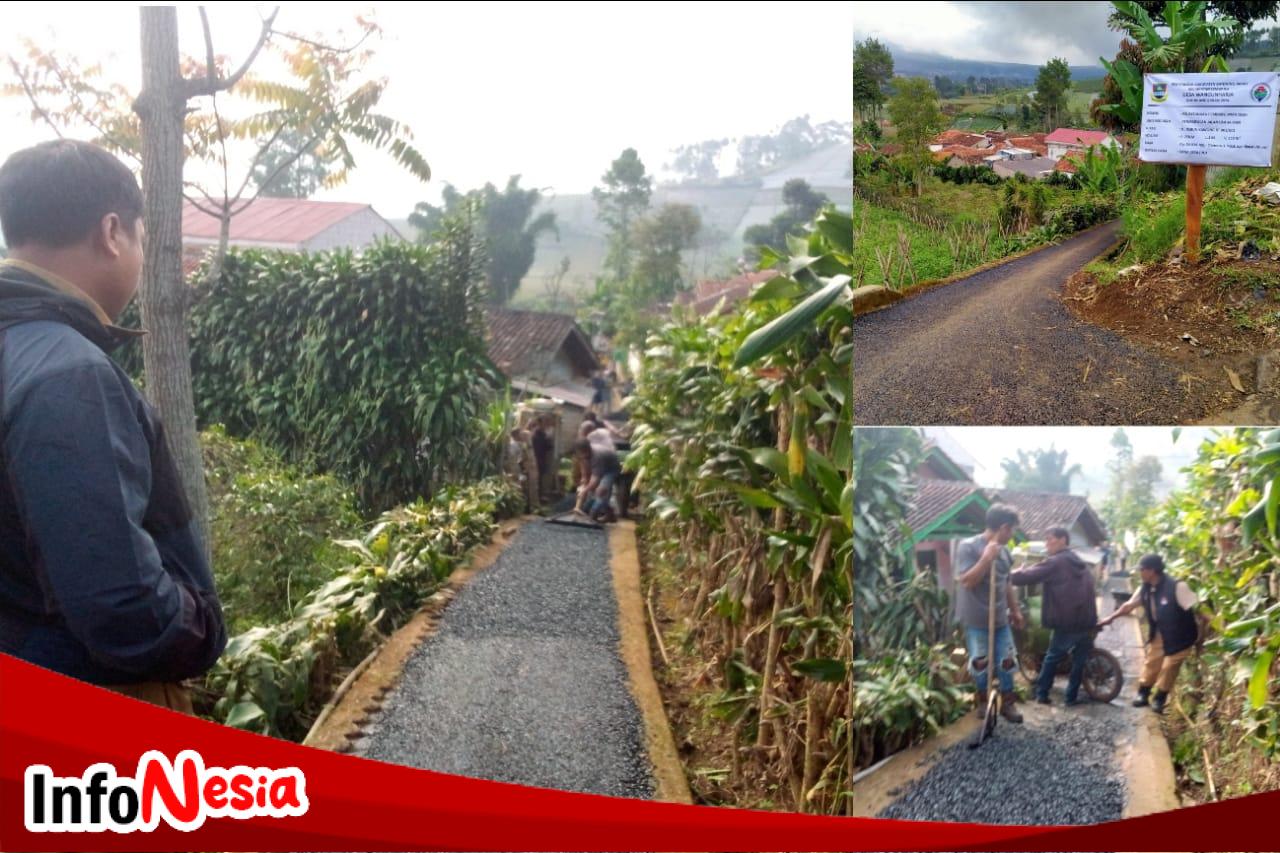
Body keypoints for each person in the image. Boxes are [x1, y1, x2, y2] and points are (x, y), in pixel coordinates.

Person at [0, 139, 226, 712]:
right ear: (111, 233)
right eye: (142, 237)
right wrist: (201, 626)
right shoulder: (68, 376)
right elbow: (122, 610)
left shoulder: (19, 348)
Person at [1098, 553, 1206, 714]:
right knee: (1152, 662)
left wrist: (1203, 634)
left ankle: (1160, 698)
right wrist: (1110, 618)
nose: (1139, 573)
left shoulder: (1177, 587)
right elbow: (1128, 606)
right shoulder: (1145, 588)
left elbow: (1199, 609)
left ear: (1152, 570)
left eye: (1141, 570)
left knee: (1170, 666)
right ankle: (1143, 693)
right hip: (1160, 633)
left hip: (1181, 635)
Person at [1010, 527, 1098, 706]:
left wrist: (1011, 573)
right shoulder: (1078, 561)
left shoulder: (1056, 562)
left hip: (1068, 622)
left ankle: (1042, 694)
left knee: (1052, 657)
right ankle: (1070, 697)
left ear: (1063, 540)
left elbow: (1026, 576)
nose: (1046, 543)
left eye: (1050, 539)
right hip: (1087, 620)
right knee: (1079, 661)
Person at [954, 504, 1026, 723]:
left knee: (1007, 660)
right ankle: (984, 701)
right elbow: (966, 581)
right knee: (980, 663)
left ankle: (1008, 703)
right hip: (976, 621)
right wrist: (986, 558)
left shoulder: (1005, 552)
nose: (1012, 534)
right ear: (1003, 527)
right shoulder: (968, 547)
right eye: (1012, 529)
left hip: (1000, 620)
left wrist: (1014, 611)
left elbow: (1006, 584)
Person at [573, 439, 620, 523]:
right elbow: (582, 462)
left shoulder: (597, 456)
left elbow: (595, 480)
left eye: (583, 453)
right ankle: (610, 515)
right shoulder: (581, 454)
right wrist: (584, 477)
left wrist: (584, 491)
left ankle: (593, 514)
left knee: (601, 491)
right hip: (598, 467)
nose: (580, 455)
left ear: (588, 449)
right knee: (591, 490)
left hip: (610, 469)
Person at [530, 415, 556, 502]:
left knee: (539, 478)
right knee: (538, 478)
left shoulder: (538, 433)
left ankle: (539, 496)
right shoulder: (538, 434)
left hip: (539, 458)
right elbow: (547, 447)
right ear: (539, 423)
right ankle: (538, 497)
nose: (545, 425)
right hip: (538, 459)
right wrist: (549, 440)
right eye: (544, 423)